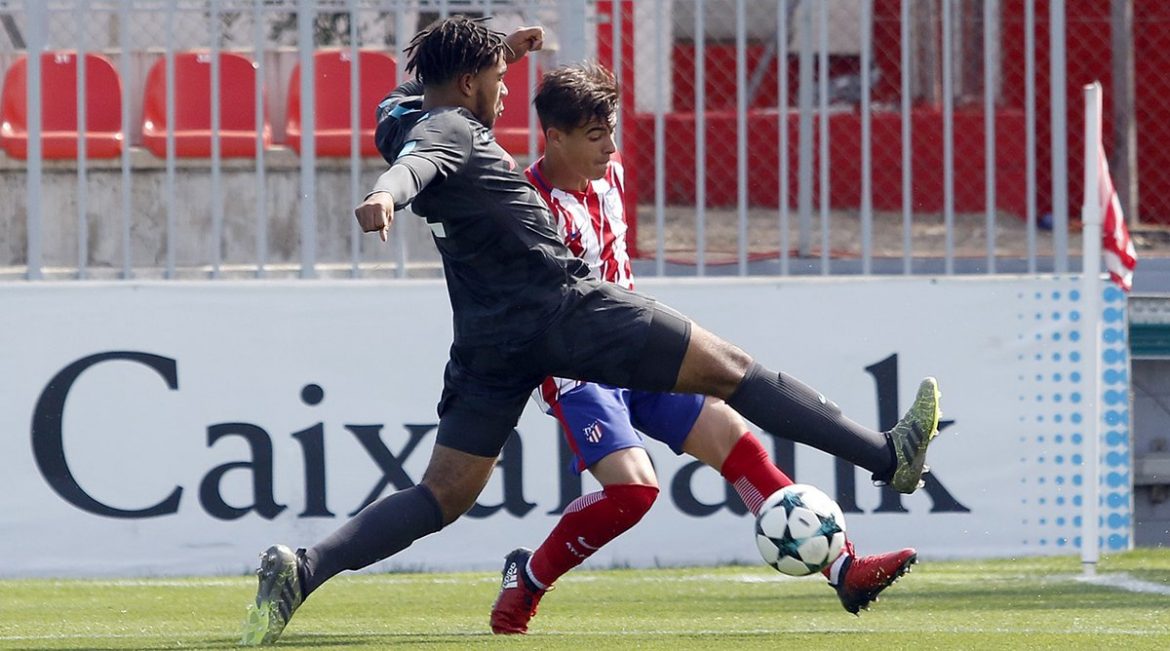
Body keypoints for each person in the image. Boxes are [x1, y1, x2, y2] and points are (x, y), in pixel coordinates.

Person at [241, 16, 941, 646]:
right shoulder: (449, 128)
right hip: (565, 310)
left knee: (443, 493)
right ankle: (887, 454)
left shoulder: (403, 113)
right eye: (496, 80)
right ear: (465, 82)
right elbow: (419, 163)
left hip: (490, 341)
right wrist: (383, 194)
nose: (507, 93)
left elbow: (411, 121)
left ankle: (303, 570)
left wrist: (498, 55)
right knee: (730, 367)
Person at [487, 63, 919, 635]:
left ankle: (844, 567)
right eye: (596, 137)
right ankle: (528, 578)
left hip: (634, 349)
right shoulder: (528, 204)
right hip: (577, 371)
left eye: (612, 131)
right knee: (634, 492)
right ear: (554, 136)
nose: (611, 147)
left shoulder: (609, 177)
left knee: (732, 436)